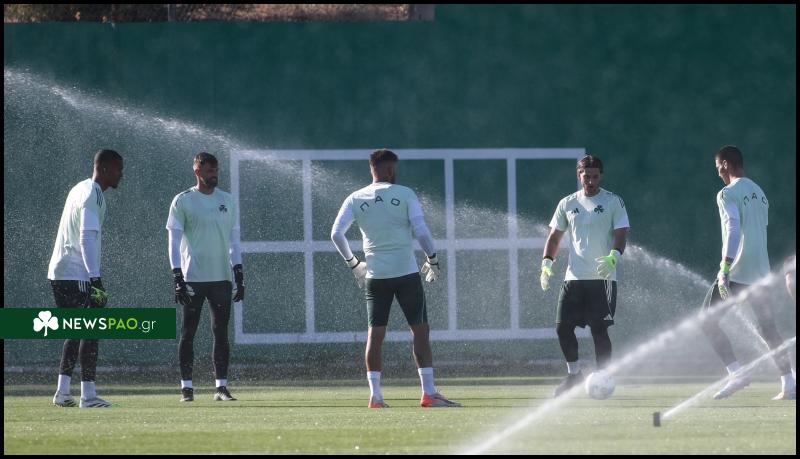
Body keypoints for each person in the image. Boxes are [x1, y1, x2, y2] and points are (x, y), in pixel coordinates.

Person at [330, 149, 459, 408]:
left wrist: (354, 264)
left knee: (375, 335)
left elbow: (336, 234)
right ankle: (428, 393)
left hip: (375, 276)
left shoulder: (355, 197)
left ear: (372, 169)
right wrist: (432, 259)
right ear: (390, 169)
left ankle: (376, 396)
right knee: (420, 331)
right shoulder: (405, 193)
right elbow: (421, 230)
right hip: (406, 274)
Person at [701, 145, 795, 400]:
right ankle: (789, 383)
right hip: (761, 273)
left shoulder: (726, 193)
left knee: (706, 321)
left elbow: (733, 228)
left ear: (725, 164)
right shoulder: (760, 193)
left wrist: (725, 267)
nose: (718, 173)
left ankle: (737, 373)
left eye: (718, 167)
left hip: (737, 271)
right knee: (768, 329)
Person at [539, 155, 630, 397]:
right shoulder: (567, 203)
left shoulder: (613, 201)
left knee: (599, 330)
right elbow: (554, 237)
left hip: (603, 278)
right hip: (574, 278)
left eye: (595, 177)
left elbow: (621, 233)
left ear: (601, 176)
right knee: (562, 327)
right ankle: (574, 376)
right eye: (586, 176)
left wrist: (614, 257)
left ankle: (603, 377)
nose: (590, 181)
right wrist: (546, 264)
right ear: (578, 176)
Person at [166, 152, 244, 402]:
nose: (214, 175)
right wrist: (177, 275)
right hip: (192, 278)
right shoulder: (183, 200)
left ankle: (221, 388)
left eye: (216, 170)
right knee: (188, 333)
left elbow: (234, 240)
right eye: (210, 171)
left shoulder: (227, 200)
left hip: (221, 278)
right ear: (197, 171)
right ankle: (186, 389)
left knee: (221, 333)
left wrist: (238, 272)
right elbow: (173, 241)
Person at [49, 149, 123, 408]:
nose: (121, 174)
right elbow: (86, 237)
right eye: (118, 169)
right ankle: (88, 395)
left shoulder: (78, 189)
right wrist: (96, 280)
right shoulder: (94, 193)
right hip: (76, 273)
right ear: (104, 168)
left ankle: (62, 392)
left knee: (75, 331)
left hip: (59, 272)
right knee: (91, 331)